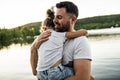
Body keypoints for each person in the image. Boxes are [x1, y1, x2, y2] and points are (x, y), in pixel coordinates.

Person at [30, 1, 94, 80]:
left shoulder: (80, 42)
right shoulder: (45, 38)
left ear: (73, 19)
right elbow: (35, 72)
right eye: (54, 17)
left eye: (59, 17)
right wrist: (33, 47)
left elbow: (82, 78)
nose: (54, 21)